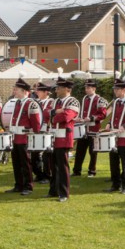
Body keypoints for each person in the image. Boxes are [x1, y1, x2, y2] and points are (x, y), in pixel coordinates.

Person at [7, 74, 42, 196]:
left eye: (16, 89)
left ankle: (28, 186)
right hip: (16, 138)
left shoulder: (31, 104)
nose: (14, 91)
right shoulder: (17, 103)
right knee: (16, 163)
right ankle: (18, 185)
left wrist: (33, 137)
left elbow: (36, 124)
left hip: (25, 138)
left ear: (24, 91)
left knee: (26, 164)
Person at [49, 74, 79, 202]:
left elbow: (67, 117)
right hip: (54, 136)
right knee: (52, 166)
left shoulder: (73, 101)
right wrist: (57, 112)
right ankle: (54, 190)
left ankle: (64, 193)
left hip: (64, 137)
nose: (56, 90)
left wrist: (55, 114)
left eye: (59, 88)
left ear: (67, 89)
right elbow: (47, 115)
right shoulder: (56, 102)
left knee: (62, 166)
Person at [72, 73, 108, 178]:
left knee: (93, 151)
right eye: (86, 87)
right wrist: (79, 118)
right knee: (79, 151)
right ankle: (76, 170)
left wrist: (91, 118)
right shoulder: (84, 98)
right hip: (83, 129)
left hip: (93, 128)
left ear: (94, 88)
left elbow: (103, 114)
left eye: (88, 88)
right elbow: (82, 111)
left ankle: (92, 171)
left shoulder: (100, 100)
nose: (86, 89)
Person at [31, 79, 56, 185]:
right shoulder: (36, 102)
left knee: (47, 155)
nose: (37, 92)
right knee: (34, 154)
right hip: (37, 131)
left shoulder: (52, 102)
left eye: (39, 90)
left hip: (47, 131)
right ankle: (39, 174)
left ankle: (48, 175)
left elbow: (50, 114)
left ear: (46, 92)